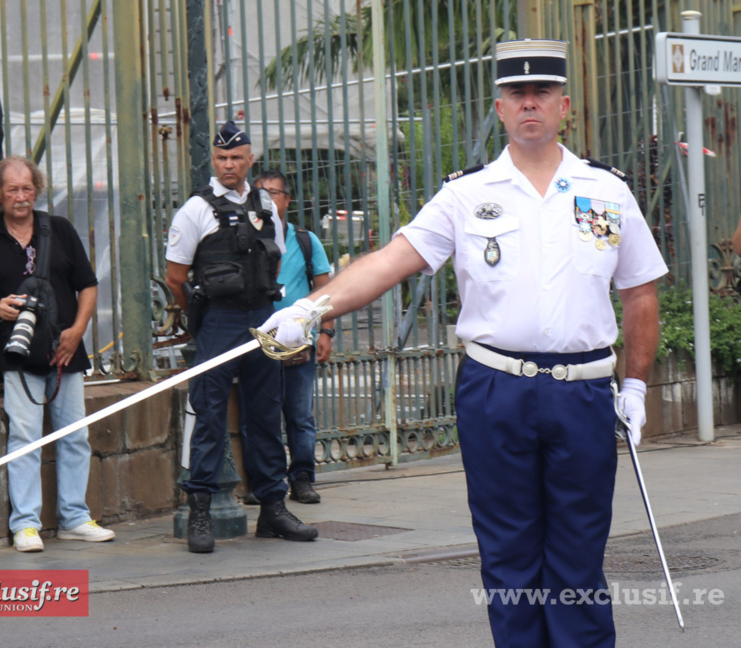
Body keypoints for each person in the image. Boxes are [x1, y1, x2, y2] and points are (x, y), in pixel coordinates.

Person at [261, 40, 668, 647]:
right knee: (507, 552)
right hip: (496, 389)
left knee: (579, 551)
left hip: (582, 393)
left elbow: (640, 294)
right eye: (517, 95)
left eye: (543, 94)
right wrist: (309, 307)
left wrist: (634, 385)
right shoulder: (465, 195)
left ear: (565, 107)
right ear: (500, 108)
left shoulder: (606, 191)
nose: (530, 104)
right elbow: (390, 262)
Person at [165, 121, 318, 553]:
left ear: (250, 159)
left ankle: (273, 508)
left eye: (236, 158)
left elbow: (274, 261)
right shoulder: (195, 210)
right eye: (221, 158)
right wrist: (196, 317)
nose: (228, 165)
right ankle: (199, 510)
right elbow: (176, 278)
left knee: (266, 414)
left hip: (261, 316)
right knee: (209, 413)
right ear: (213, 160)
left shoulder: (265, 203)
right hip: (219, 320)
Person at [0, 155, 115, 552]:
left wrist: (77, 331)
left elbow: (88, 284)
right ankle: (26, 524)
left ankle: (75, 517)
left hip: (66, 350)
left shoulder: (59, 230)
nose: (20, 197)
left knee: (75, 436)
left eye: (27, 188)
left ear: (37, 189)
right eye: (12, 189)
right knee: (25, 437)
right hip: (18, 353)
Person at [253, 170, 333, 504]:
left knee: (300, 416)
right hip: (259, 342)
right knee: (261, 415)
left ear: (287, 199)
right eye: (261, 194)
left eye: (274, 193)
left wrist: (326, 331)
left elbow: (326, 289)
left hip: (300, 344)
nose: (268, 200)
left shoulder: (305, 240)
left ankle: (302, 477)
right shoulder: (249, 239)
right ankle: (265, 482)